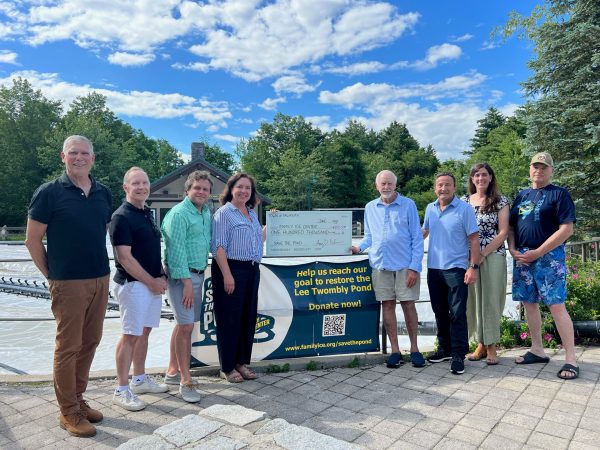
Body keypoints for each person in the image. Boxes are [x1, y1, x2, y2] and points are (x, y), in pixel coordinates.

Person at [25, 135, 112, 437]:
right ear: (62, 156)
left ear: (93, 158)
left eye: (84, 153)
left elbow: (98, 232)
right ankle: (68, 412)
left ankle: (78, 399)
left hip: (100, 278)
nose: (79, 157)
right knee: (68, 347)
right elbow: (32, 239)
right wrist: (53, 275)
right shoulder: (48, 193)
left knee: (90, 341)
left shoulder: (103, 193)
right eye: (73, 153)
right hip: (68, 283)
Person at [508, 152, 579, 380]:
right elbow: (510, 227)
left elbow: (567, 229)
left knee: (556, 305)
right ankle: (537, 349)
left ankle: (571, 359)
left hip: (549, 257)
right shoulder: (521, 196)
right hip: (522, 256)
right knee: (529, 304)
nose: (538, 170)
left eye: (543, 167)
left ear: (551, 171)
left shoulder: (559, 194)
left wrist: (539, 252)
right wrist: (512, 248)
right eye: (535, 166)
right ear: (530, 169)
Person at [351, 170, 426, 368]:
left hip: (404, 265)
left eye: (389, 183)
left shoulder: (408, 205)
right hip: (380, 265)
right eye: (382, 183)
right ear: (377, 186)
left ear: (395, 185)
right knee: (388, 306)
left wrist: (414, 268)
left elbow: (417, 239)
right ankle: (395, 350)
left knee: (409, 305)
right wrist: (359, 248)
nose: (386, 187)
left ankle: (415, 349)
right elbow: (369, 236)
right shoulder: (370, 207)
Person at [109, 167, 169, 411]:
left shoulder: (145, 212)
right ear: (126, 187)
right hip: (133, 285)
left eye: (145, 182)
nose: (142, 187)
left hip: (150, 283)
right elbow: (125, 258)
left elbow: (150, 250)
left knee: (144, 333)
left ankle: (140, 379)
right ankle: (121, 389)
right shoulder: (121, 217)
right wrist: (151, 281)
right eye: (136, 183)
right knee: (130, 335)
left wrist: (161, 273)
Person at [161, 171, 212, 402]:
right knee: (186, 328)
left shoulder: (205, 213)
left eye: (205, 189)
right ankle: (186, 381)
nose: (201, 192)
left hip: (198, 274)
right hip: (184, 277)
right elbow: (175, 252)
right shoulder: (178, 214)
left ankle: (172, 371)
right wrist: (187, 284)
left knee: (184, 325)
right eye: (197, 188)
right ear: (187, 190)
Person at [423, 172, 480, 375]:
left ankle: (458, 354)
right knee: (439, 311)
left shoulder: (464, 209)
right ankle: (445, 349)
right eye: (440, 185)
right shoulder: (430, 208)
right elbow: (424, 233)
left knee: (457, 313)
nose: (443, 189)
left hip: (456, 269)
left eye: (447, 185)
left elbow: (474, 239)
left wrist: (473, 267)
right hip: (434, 269)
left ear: (454, 188)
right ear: (435, 188)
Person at [212, 173, 263, 383]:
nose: (244, 191)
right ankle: (227, 366)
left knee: (247, 318)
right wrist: (227, 275)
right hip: (231, 269)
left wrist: (277, 223)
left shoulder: (251, 213)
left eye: (248, 188)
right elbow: (218, 247)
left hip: (251, 270)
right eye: (240, 187)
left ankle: (241, 362)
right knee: (229, 319)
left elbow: (256, 238)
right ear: (231, 189)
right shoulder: (224, 213)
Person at [461, 163, 509, 365]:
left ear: (490, 177)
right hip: (468, 257)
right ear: (472, 179)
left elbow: (503, 232)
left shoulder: (500, 201)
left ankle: (492, 347)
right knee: (473, 300)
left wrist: (482, 254)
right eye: (476, 175)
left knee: (490, 299)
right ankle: (480, 344)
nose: (480, 178)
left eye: (484, 175)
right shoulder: (463, 201)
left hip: (493, 255)